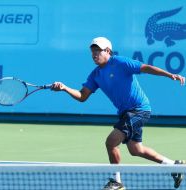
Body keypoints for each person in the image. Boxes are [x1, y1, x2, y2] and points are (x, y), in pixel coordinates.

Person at [51, 37, 185, 190]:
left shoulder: (120, 62)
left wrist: (169, 75)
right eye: (92, 51)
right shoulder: (95, 75)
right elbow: (82, 96)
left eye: (98, 50)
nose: (94, 54)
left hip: (139, 109)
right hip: (126, 113)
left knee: (111, 142)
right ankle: (174, 166)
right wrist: (64, 88)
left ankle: (117, 182)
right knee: (136, 149)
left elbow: (145, 67)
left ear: (107, 51)